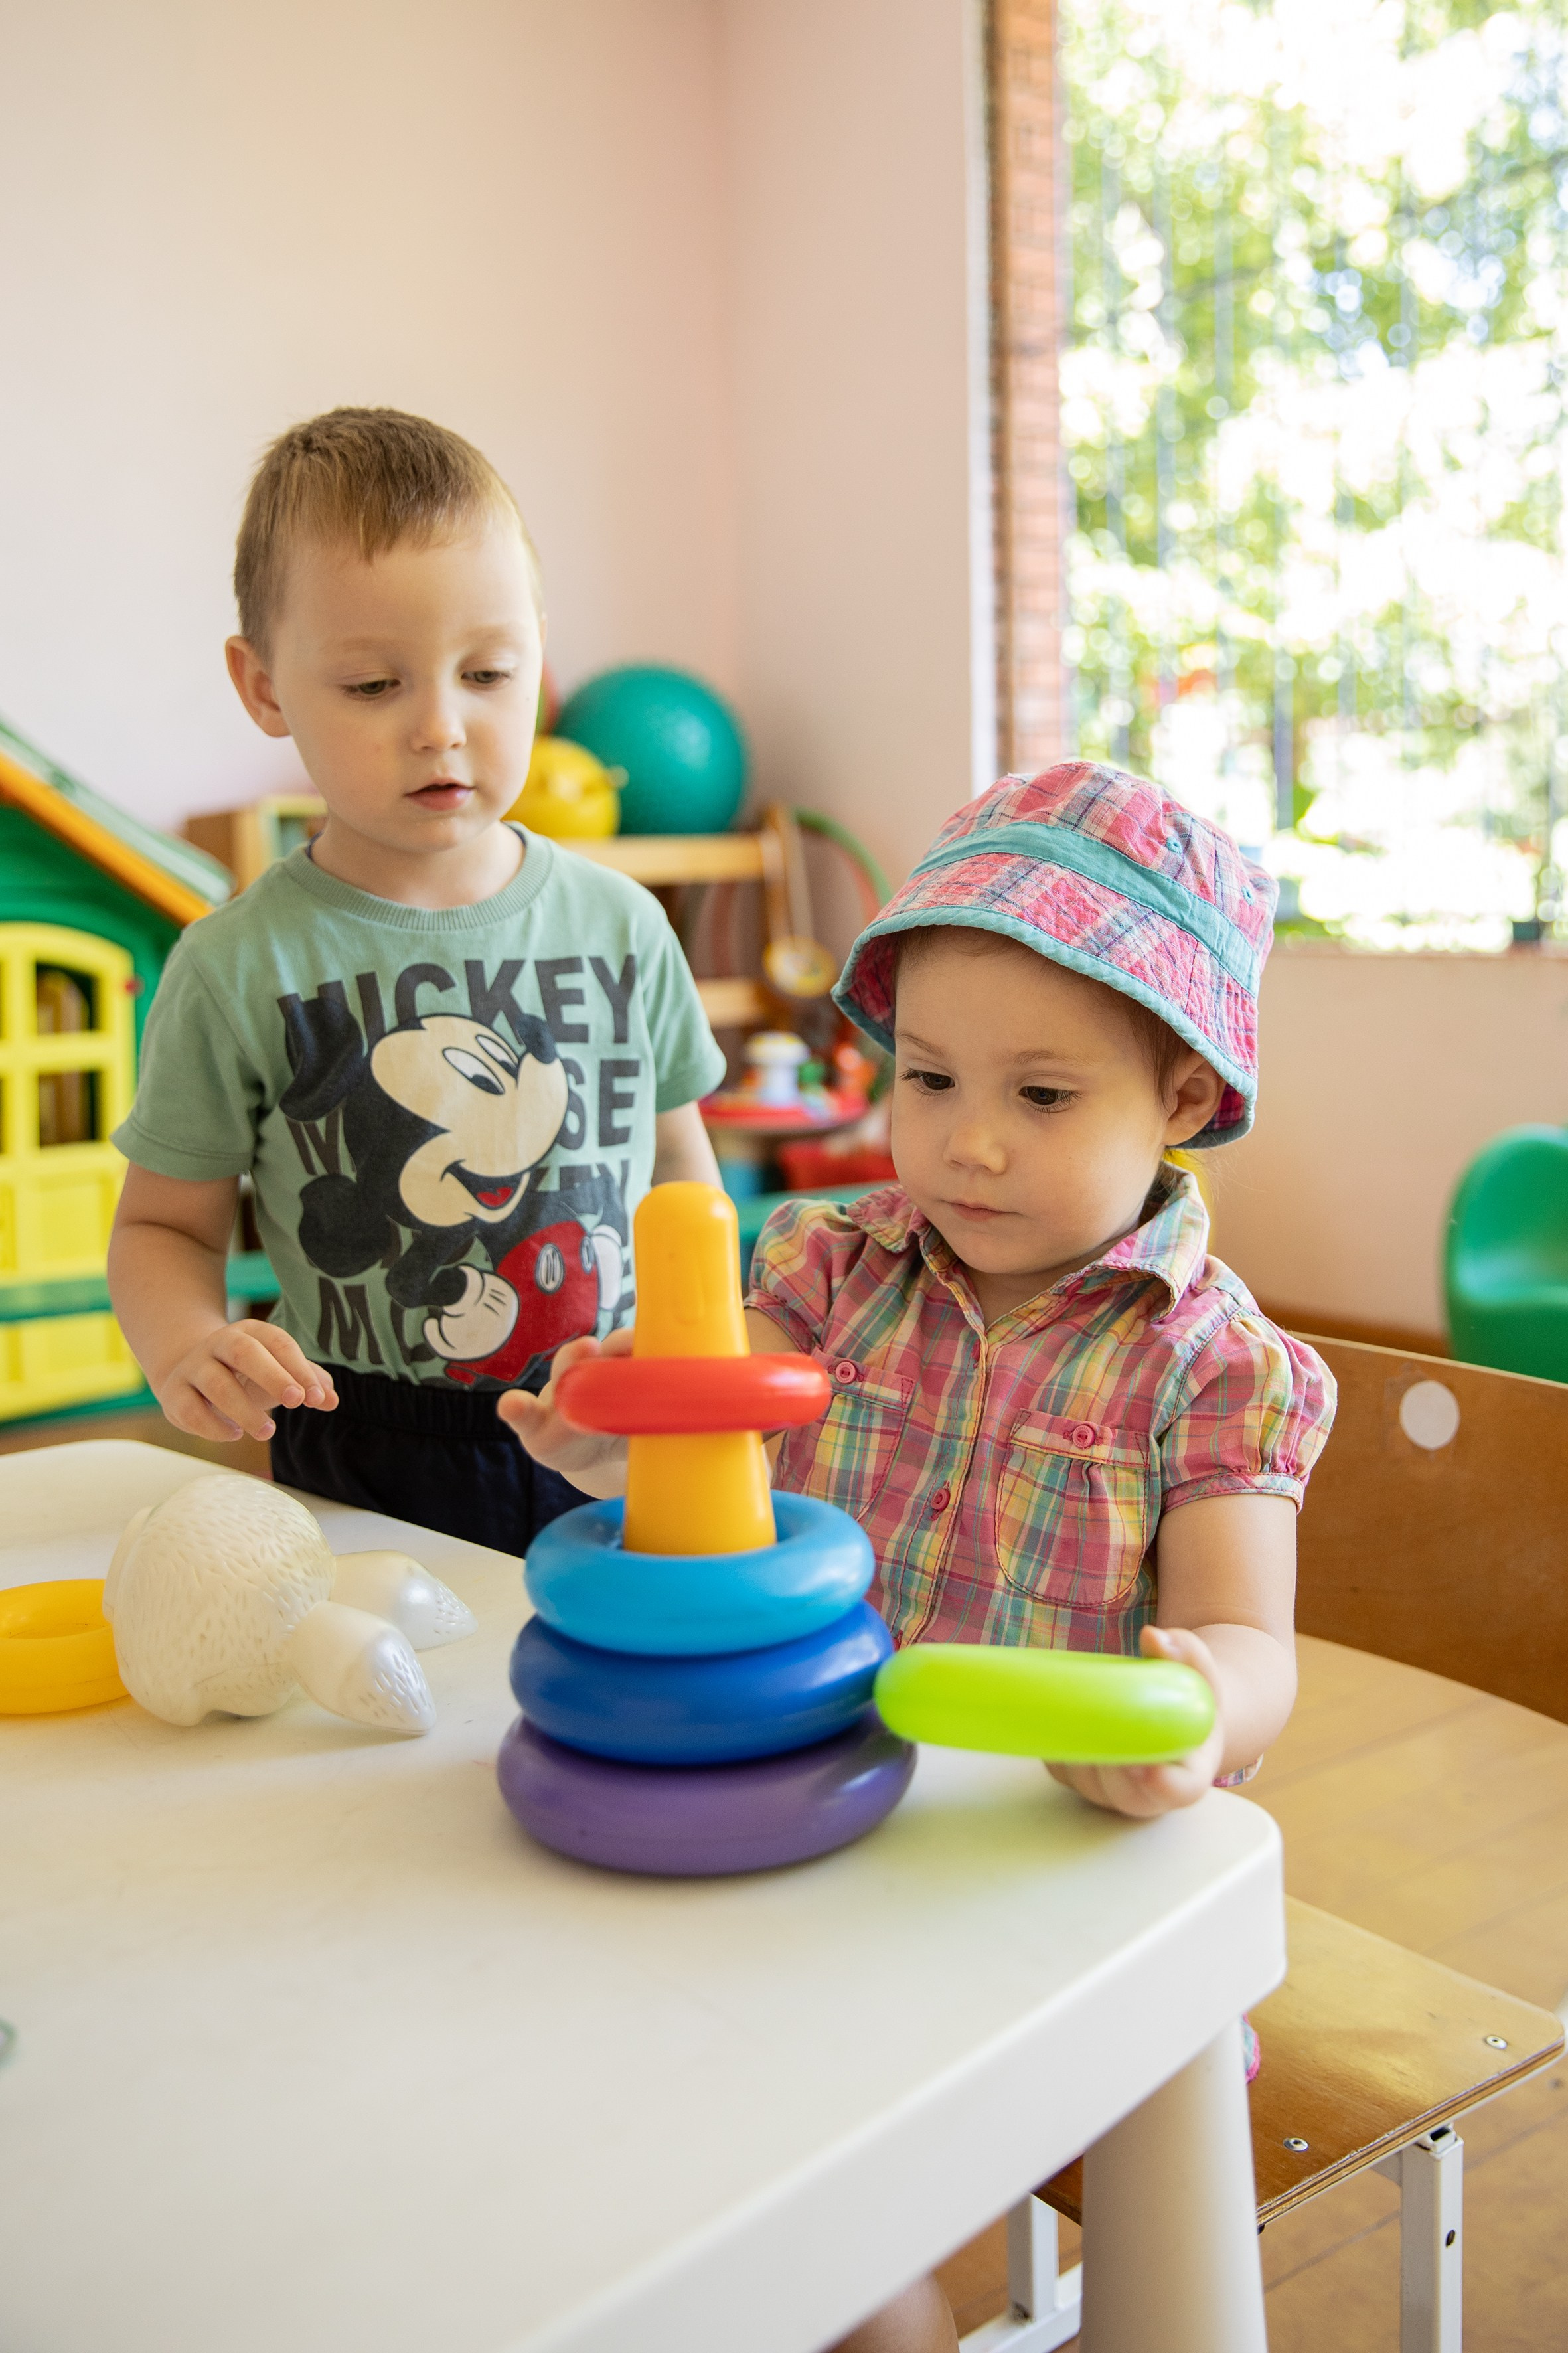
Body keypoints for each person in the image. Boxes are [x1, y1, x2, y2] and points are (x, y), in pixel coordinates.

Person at [509, 763, 1336, 2352]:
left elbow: (1253, 1641)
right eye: (928, 1077)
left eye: (1038, 1097)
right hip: (827, 1836)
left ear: (1176, 1099)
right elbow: (712, 1439)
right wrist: (624, 1443)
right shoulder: (826, 1266)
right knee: (779, 2225)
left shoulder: (1211, 1363)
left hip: (1072, 1874)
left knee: (1151, 2265)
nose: (962, 1144)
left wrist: (1192, 1712)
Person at [108, 406, 724, 1551]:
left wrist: (706, 1346)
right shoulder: (237, 962)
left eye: (488, 672)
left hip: (616, 1431)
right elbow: (161, 1228)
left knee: (613, 1705)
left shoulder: (625, 925)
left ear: (538, 657)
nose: (441, 727)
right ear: (265, 688)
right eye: (370, 686)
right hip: (359, 1441)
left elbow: (679, 1168)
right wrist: (187, 1342)